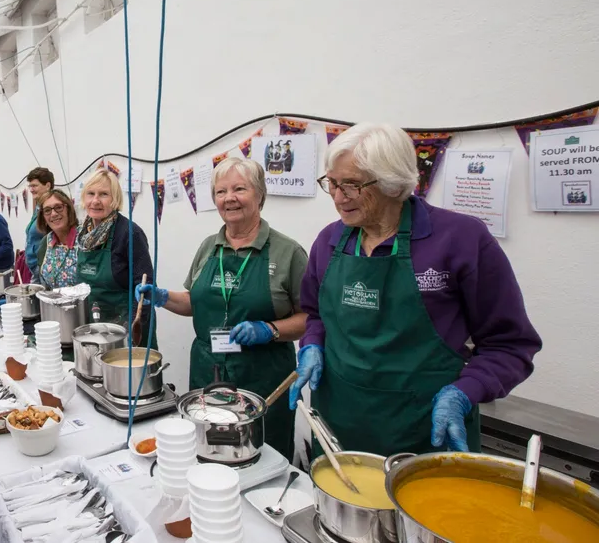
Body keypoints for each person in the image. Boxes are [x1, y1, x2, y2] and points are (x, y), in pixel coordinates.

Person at [289, 122, 542, 456]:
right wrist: (312, 344)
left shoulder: (460, 240)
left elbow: (510, 345)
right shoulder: (330, 241)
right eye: (332, 183)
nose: (337, 198)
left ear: (393, 183)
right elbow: (316, 315)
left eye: (351, 185)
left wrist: (466, 391)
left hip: (424, 433)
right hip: (339, 430)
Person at [136, 158, 307, 461]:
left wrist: (270, 330)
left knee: (261, 457)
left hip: (263, 377)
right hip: (207, 370)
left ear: (259, 194)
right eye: (220, 191)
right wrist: (163, 298)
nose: (229, 198)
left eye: (239, 189)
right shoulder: (208, 247)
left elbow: (310, 318)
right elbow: (194, 302)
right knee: (208, 451)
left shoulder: (287, 252)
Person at [76, 170, 153, 337]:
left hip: (126, 327)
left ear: (115, 199)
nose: (95, 201)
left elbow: (145, 286)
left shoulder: (130, 234)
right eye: (91, 194)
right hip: (93, 326)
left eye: (103, 194)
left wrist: (133, 329)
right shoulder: (83, 235)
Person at [34, 190, 80, 289]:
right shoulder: (45, 242)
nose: (53, 214)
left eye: (58, 207)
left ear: (69, 209)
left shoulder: (84, 240)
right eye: (47, 210)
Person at [25, 168, 55, 278]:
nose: (31, 189)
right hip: (35, 267)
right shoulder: (39, 206)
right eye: (30, 186)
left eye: (34, 186)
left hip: (44, 267)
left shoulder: (51, 208)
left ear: (47, 185)